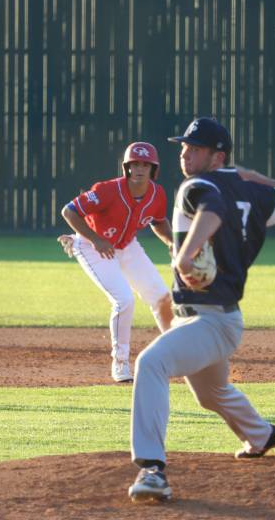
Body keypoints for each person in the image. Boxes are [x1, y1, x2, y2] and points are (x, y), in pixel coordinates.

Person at [127, 117, 275, 502]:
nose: (185, 153)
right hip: (216, 319)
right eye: (184, 147)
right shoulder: (254, 194)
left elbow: (211, 210)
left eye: (195, 149)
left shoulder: (197, 185)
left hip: (208, 320)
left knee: (150, 363)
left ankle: (152, 471)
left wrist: (185, 255)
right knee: (211, 394)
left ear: (217, 157)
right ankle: (262, 436)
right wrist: (246, 175)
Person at [58, 142, 174, 383]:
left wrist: (172, 242)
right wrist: (94, 239)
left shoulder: (157, 194)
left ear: (154, 169)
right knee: (124, 300)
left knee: (161, 297)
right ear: (127, 167)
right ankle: (120, 363)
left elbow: (159, 221)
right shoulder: (107, 190)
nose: (139, 168)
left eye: (145, 164)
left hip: (127, 247)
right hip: (92, 248)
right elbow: (69, 211)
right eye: (135, 164)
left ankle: (180, 355)